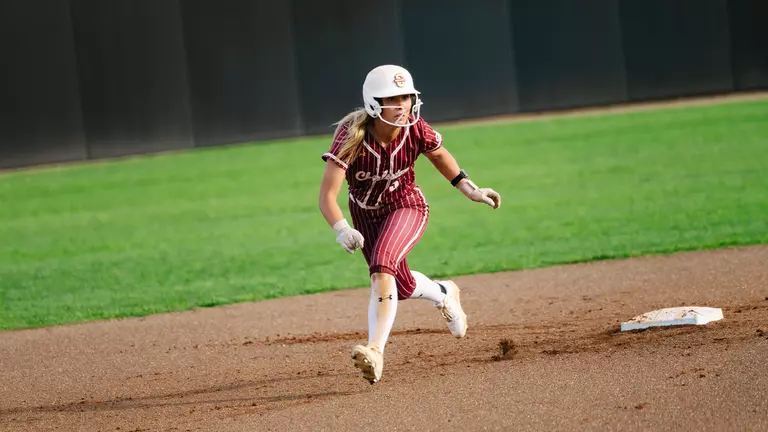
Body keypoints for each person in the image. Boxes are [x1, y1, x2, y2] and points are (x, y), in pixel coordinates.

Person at [318, 64, 501, 384]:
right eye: (394, 97)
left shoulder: (415, 129)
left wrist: (471, 189)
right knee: (398, 285)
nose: (403, 104)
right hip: (364, 214)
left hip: (407, 205)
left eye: (407, 96)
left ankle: (375, 350)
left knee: (382, 267)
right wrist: (342, 229)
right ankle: (444, 292)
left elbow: (440, 156)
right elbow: (327, 196)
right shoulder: (352, 135)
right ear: (374, 103)